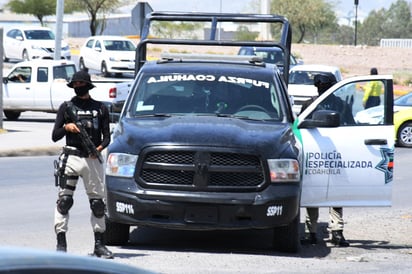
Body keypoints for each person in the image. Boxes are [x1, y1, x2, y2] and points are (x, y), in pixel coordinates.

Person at [51, 70, 113, 258]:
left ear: (87, 85)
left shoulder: (100, 108)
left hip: (91, 159)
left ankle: (99, 245)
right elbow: (55, 136)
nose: (78, 86)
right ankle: (61, 245)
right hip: (70, 158)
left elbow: (107, 137)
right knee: (64, 201)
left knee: (98, 204)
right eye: (75, 84)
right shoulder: (66, 107)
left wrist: (99, 150)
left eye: (80, 83)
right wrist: (66, 127)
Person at [301, 73, 350, 247]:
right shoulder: (342, 105)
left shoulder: (309, 104)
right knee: (330, 194)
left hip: (318, 155)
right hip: (333, 154)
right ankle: (335, 233)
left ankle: (312, 233)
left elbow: (300, 128)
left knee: (315, 194)